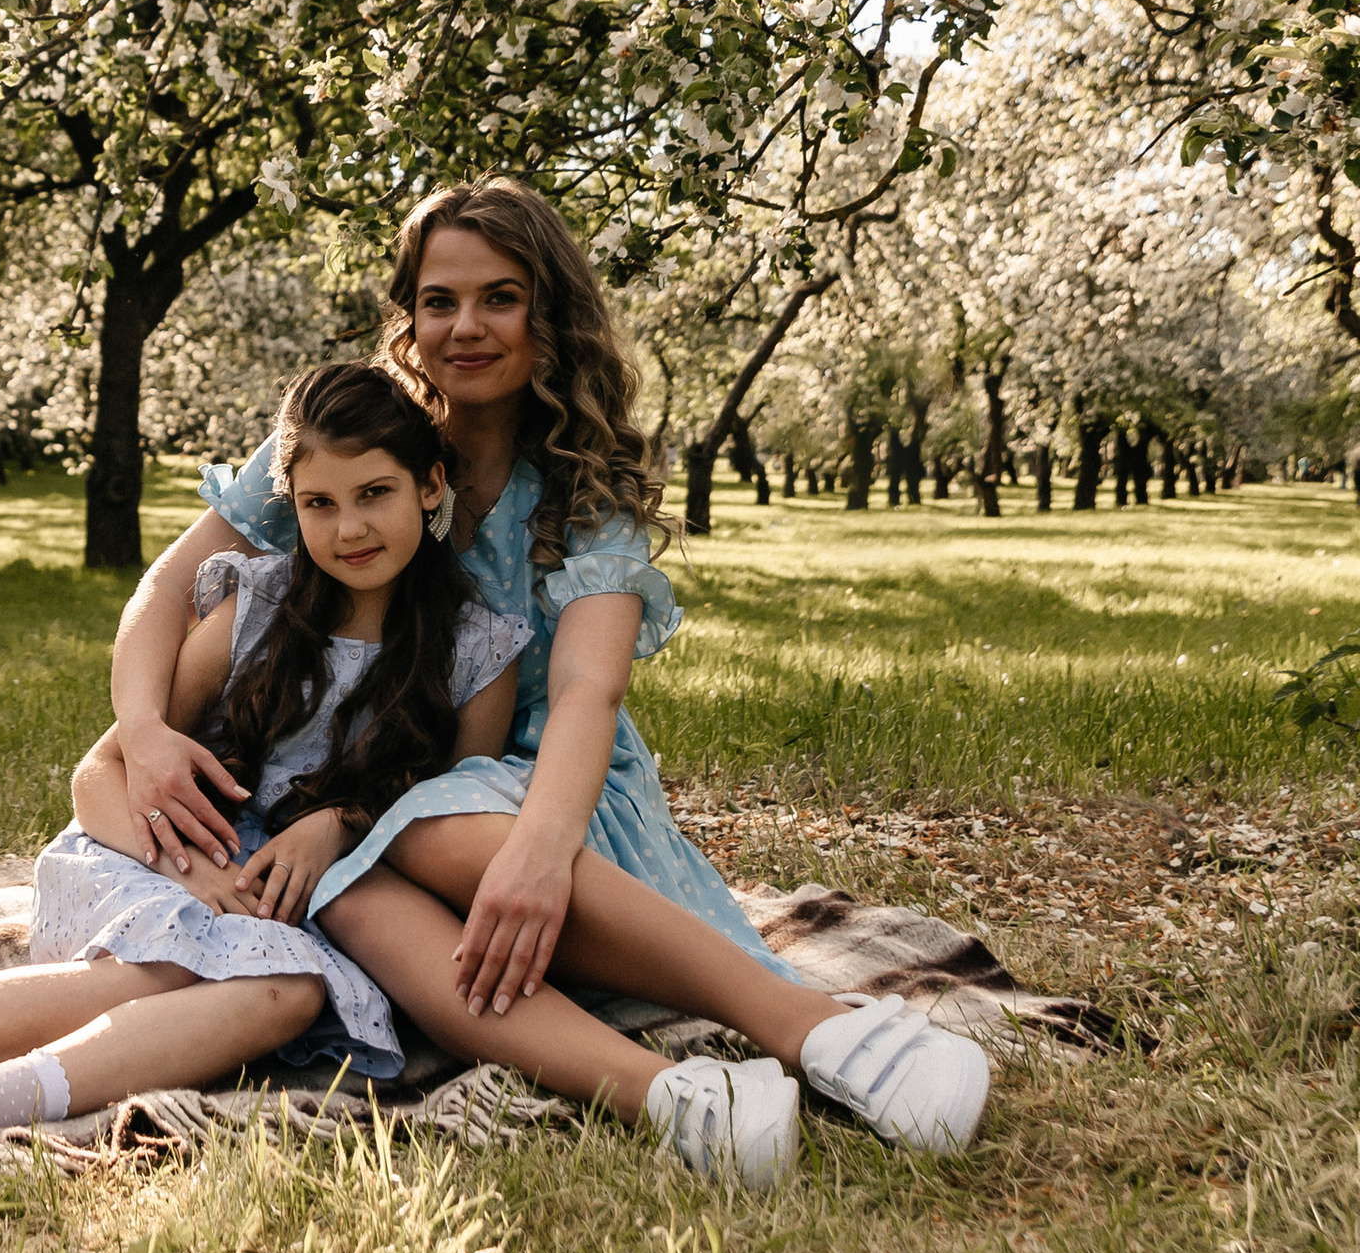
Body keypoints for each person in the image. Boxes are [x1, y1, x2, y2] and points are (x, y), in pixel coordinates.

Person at [81, 176, 990, 1158]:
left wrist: (539, 847)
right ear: (409, 315)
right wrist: (141, 731)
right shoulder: (351, 438)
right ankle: (680, 1105)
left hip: (545, 780)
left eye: (498, 298)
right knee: (351, 880)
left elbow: (587, 694)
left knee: (419, 827)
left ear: (547, 314)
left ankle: (821, 1031)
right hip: (366, 792)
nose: (465, 325)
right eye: (439, 300)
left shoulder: (579, 490)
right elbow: (167, 591)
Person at [0, 363, 523, 1164]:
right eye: (318, 503)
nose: (349, 528)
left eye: (374, 493)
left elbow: (449, 814)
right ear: (290, 507)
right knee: (179, 961)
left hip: (291, 915)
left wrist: (337, 827)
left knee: (292, 991)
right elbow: (99, 775)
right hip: (156, 863)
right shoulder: (257, 609)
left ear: (431, 486)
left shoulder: (475, 652)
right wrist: (195, 876)